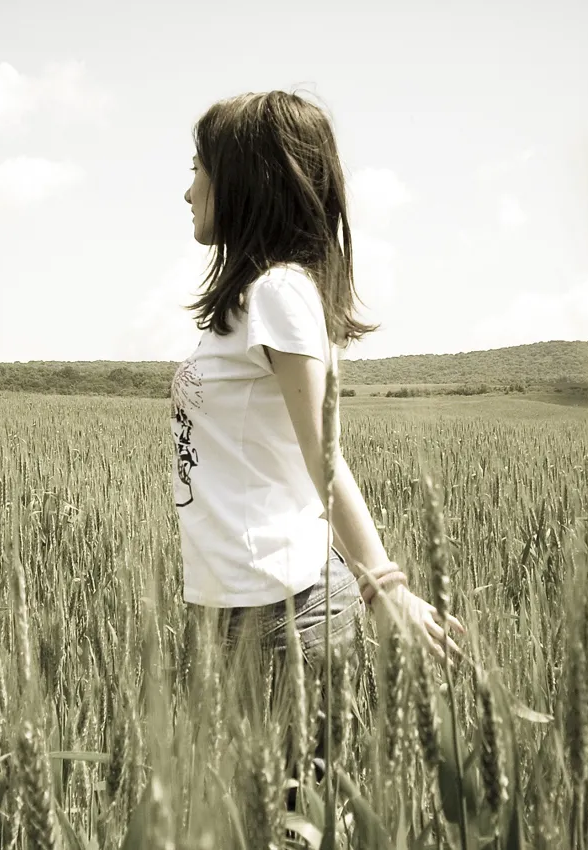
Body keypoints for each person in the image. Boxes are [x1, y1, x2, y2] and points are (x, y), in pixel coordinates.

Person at [172, 90, 465, 683]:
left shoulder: (280, 292)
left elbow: (323, 451)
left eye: (198, 170)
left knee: (293, 782)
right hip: (231, 603)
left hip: (281, 614)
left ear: (244, 181)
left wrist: (385, 586)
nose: (188, 191)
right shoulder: (254, 300)